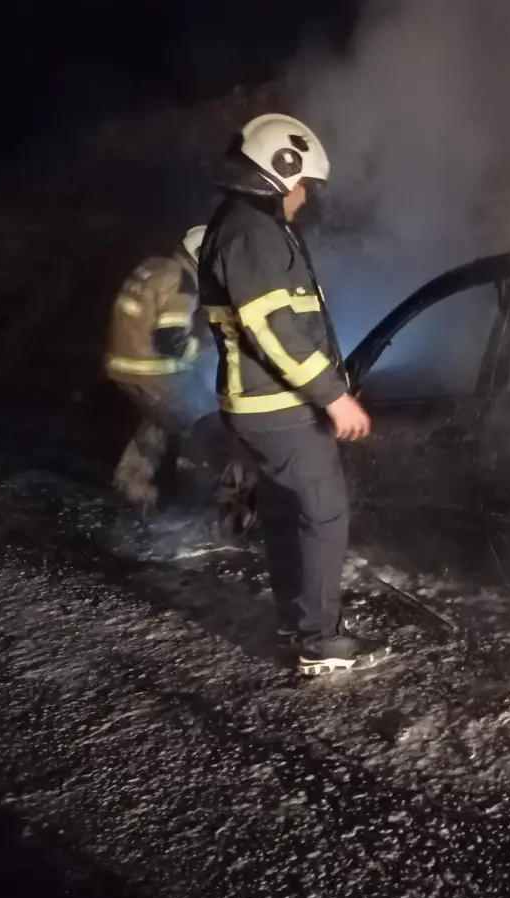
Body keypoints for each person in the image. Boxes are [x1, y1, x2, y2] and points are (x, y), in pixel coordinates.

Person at [198, 113, 388, 675]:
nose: (305, 198)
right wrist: (333, 396)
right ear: (279, 173)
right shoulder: (251, 232)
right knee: (323, 513)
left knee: (285, 512)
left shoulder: (244, 228)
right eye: (304, 183)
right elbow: (274, 329)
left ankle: (296, 625)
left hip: (260, 405)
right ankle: (319, 641)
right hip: (278, 408)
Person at [105, 226, 224, 510]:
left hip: (123, 365)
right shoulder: (183, 282)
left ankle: (130, 486)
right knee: (205, 424)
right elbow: (171, 339)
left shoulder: (155, 266)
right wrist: (207, 353)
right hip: (151, 371)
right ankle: (195, 506)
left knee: (159, 417)